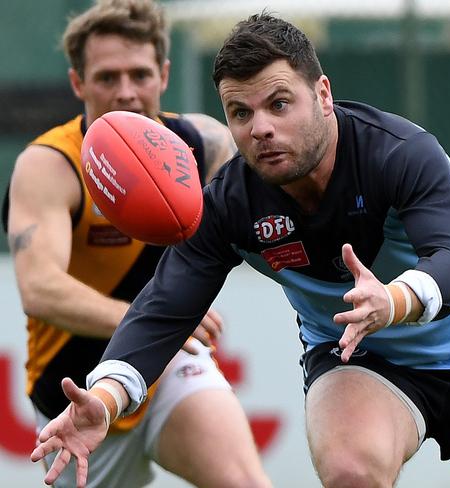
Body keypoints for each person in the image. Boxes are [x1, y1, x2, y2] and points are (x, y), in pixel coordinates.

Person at [31, 12, 450, 488]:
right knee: (350, 472)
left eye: (279, 103)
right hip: (363, 359)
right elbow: (164, 308)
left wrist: (393, 301)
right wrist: (103, 399)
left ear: (323, 94)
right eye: (241, 113)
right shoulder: (229, 203)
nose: (261, 129)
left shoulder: (399, 152)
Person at [4, 1, 271, 487]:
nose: (126, 93)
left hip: (169, 367)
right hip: (75, 392)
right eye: (107, 77)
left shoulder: (205, 145)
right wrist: (152, 321)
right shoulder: (50, 164)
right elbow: (40, 288)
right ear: (77, 84)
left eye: (140, 74)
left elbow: (268, 217)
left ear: (164, 75)